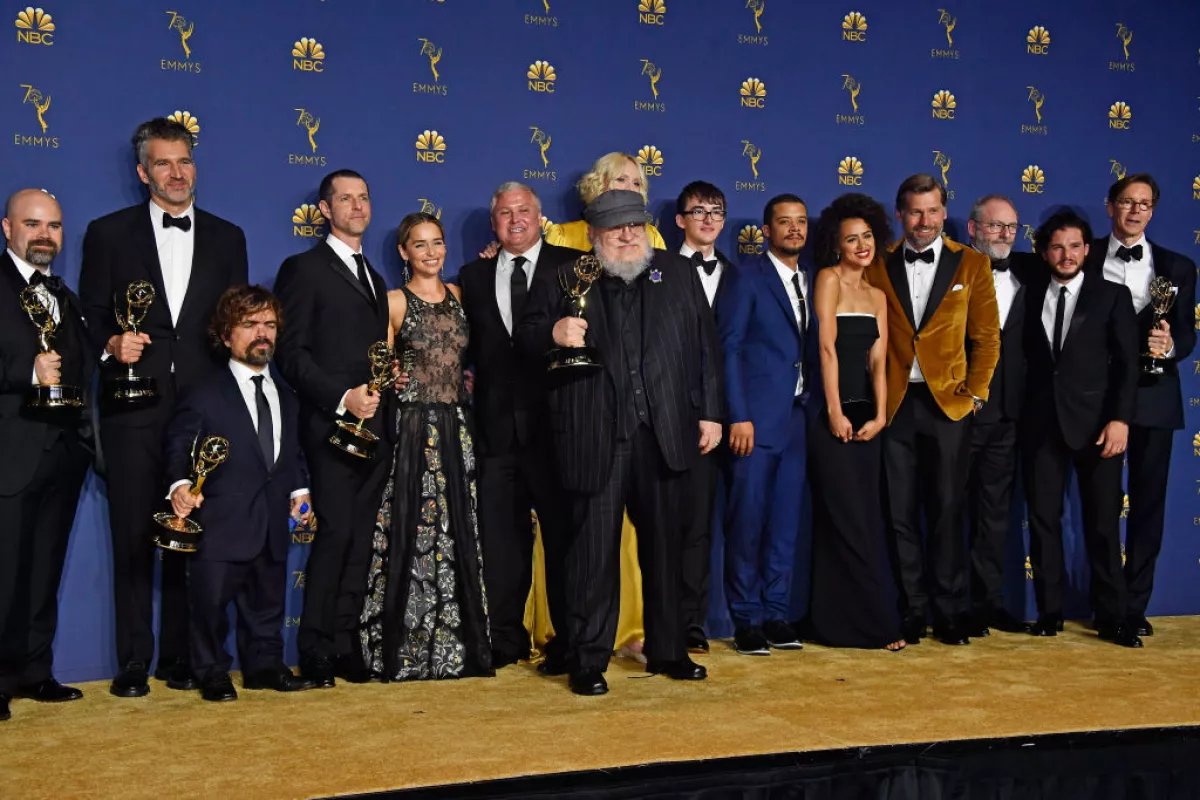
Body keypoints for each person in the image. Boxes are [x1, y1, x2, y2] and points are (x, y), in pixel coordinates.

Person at [517, 190, 722, 696]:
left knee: (666, 549)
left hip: (664, 432)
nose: (628, 236)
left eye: (634, 226)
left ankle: (670, 651)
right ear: (593, 236)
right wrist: (554, 334)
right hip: (595, 434)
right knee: (592, 554)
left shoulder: (676, 272)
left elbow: (705, 348)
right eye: (615, 229)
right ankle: (587, 661)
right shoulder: (563, 277)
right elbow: (523, 338)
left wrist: (712, 413)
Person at [79, 117, 249, 698]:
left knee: (192, 526)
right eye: (163, 163)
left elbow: (235, 327)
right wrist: (110, 343)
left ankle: (182, 657)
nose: (176, 173)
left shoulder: (229, 237)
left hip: (202, 414)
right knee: (131, 532)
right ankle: (132, 662)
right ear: (142, 171)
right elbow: (93, 315)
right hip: (132, 408)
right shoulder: (107, 234)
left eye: (184, 161)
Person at [866, 174, 999, 646]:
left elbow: (987, 339)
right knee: (899, 513)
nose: (924, 222)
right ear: (900, 214)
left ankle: (949, 612)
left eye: (933, 211)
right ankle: (911, 610)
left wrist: (975, 396)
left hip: (949, 407)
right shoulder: (877, 264)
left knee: (947, 510)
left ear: (945, 214)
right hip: (895, 405)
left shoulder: (974, 264)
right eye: (915, 212)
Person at [165, 286, 316, 701]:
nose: (261, 333)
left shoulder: (286, 393)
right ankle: (210, 670)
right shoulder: (204, 391)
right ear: (226, 334)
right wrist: (180, 486)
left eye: (268, 324)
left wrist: (300, 490)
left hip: (271, 518)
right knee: (209, 605)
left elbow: (292, 452)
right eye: (249, 325)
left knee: (268, 602)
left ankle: (264, 666)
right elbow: (180, 443)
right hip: (220, 522)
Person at [360, 212, 492, 681]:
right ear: (403, 252)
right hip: (413, 428)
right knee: (412, 531)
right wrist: (393, 380)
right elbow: (381, 366)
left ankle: (459, 649)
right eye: (420, 245)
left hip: (457, 425)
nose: (432, 252)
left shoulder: (459, 294)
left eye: (437, 243)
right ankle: (406, 650)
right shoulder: (394, 302)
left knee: (458, 530)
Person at [274, 169, 392, 687]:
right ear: (325, 209)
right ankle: (316, 648)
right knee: (336, 535)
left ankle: (346, 645)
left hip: (374, 427)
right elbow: (290, 353)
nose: (357, 206)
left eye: (364, 197)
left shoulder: (376, 276)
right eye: (345, 198)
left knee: (361, 540)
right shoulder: (302, 269)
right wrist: (341, 397)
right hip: (328, 428)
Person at [457, 183, 577, 671]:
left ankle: (570, 641)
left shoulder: (572, 265)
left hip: (558, 431)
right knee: (501, 543)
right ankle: (504, 641)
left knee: (566, 540)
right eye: (504, 213)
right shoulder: (472, 275)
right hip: (496, 433)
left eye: (523, 211)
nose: (514, 220)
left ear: (540, 217)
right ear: (493, 223)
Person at [1020, 210, 1141, 647]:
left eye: (1074, 246)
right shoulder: (1030, 293)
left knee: (1104, 525)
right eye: (1057, 246)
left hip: (1099, 427)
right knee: (1043, 521)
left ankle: (1114, 616)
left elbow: (1128, 366)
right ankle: (1050, 613)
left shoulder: (1112, 296)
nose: (1066, 254)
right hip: (1041, 426)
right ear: (1044, 251)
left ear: (1087, 250)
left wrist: (1120, 420)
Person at [1085, 174, 1197, 637]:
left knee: (1149, 506)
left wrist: (1168, 346)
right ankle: (1108, 605)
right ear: (1110, 205)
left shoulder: (1179, 267)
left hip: (1154, 398)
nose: (1135, 211)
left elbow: (1188, 338)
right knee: (1100, 506)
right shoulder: (1083, 257)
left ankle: (1135, 605)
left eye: (1144, 204)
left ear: (1153, 211)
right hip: (1097, 399)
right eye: (1127, 202)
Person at [0, 189, 95, 721]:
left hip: (61, 455)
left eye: (54, 226)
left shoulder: (63, 293)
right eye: (32, 223)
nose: (44, 235)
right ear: (7, 227)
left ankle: (34, 671)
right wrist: (25, 374)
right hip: (9, 453)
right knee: (3, 571)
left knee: (42, 571)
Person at [717, 194, 815, 655]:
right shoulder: (746, 277)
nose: (794, 229)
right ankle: (746, 618)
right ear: (767, 229)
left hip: (797, 419)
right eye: (784, 222)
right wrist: (738, 415)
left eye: (800, 222)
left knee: (784, 523)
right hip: (753, 423)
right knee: (748, 522)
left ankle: (777, 613)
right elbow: (729, 347)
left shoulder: (813, 280)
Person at [806, 193, 903, 651]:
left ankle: (855, 622)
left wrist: (881, 415)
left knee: (867, 518)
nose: (861, 245)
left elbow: (878, 362)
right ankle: (863, 627)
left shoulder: (879, 295)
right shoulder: (828, 280)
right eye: (851, 239)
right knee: (843, 519)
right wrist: (833, 411)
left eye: (866, 236)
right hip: (833, 415)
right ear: (836, 244)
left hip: (868, 418)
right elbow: (827, 349)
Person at [964, 195, 1033, 637]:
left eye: (1011, 227)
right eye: (995, 227)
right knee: (950, 510)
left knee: (994, 515)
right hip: (960, 410)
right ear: (973, 229)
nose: (1004, 235)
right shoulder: (950, 270)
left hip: (1010, 415)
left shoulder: (1031, 271)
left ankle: (988, 603)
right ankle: (948, 605)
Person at [674, 180, 732, 653]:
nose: (708, 219)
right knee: (664, 524)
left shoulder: (741, 275)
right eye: (699, 211)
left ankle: (693, 621)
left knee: (700, 526)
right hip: (670, 416)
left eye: (716, 211)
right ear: (680, 220)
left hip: (726, 417)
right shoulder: (656, 272)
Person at [545, 152, 667, 252]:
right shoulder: (562, 236)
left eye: (636, 183)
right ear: (599, 184)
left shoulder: (652, 236)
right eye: (621, 179)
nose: (630, 189)